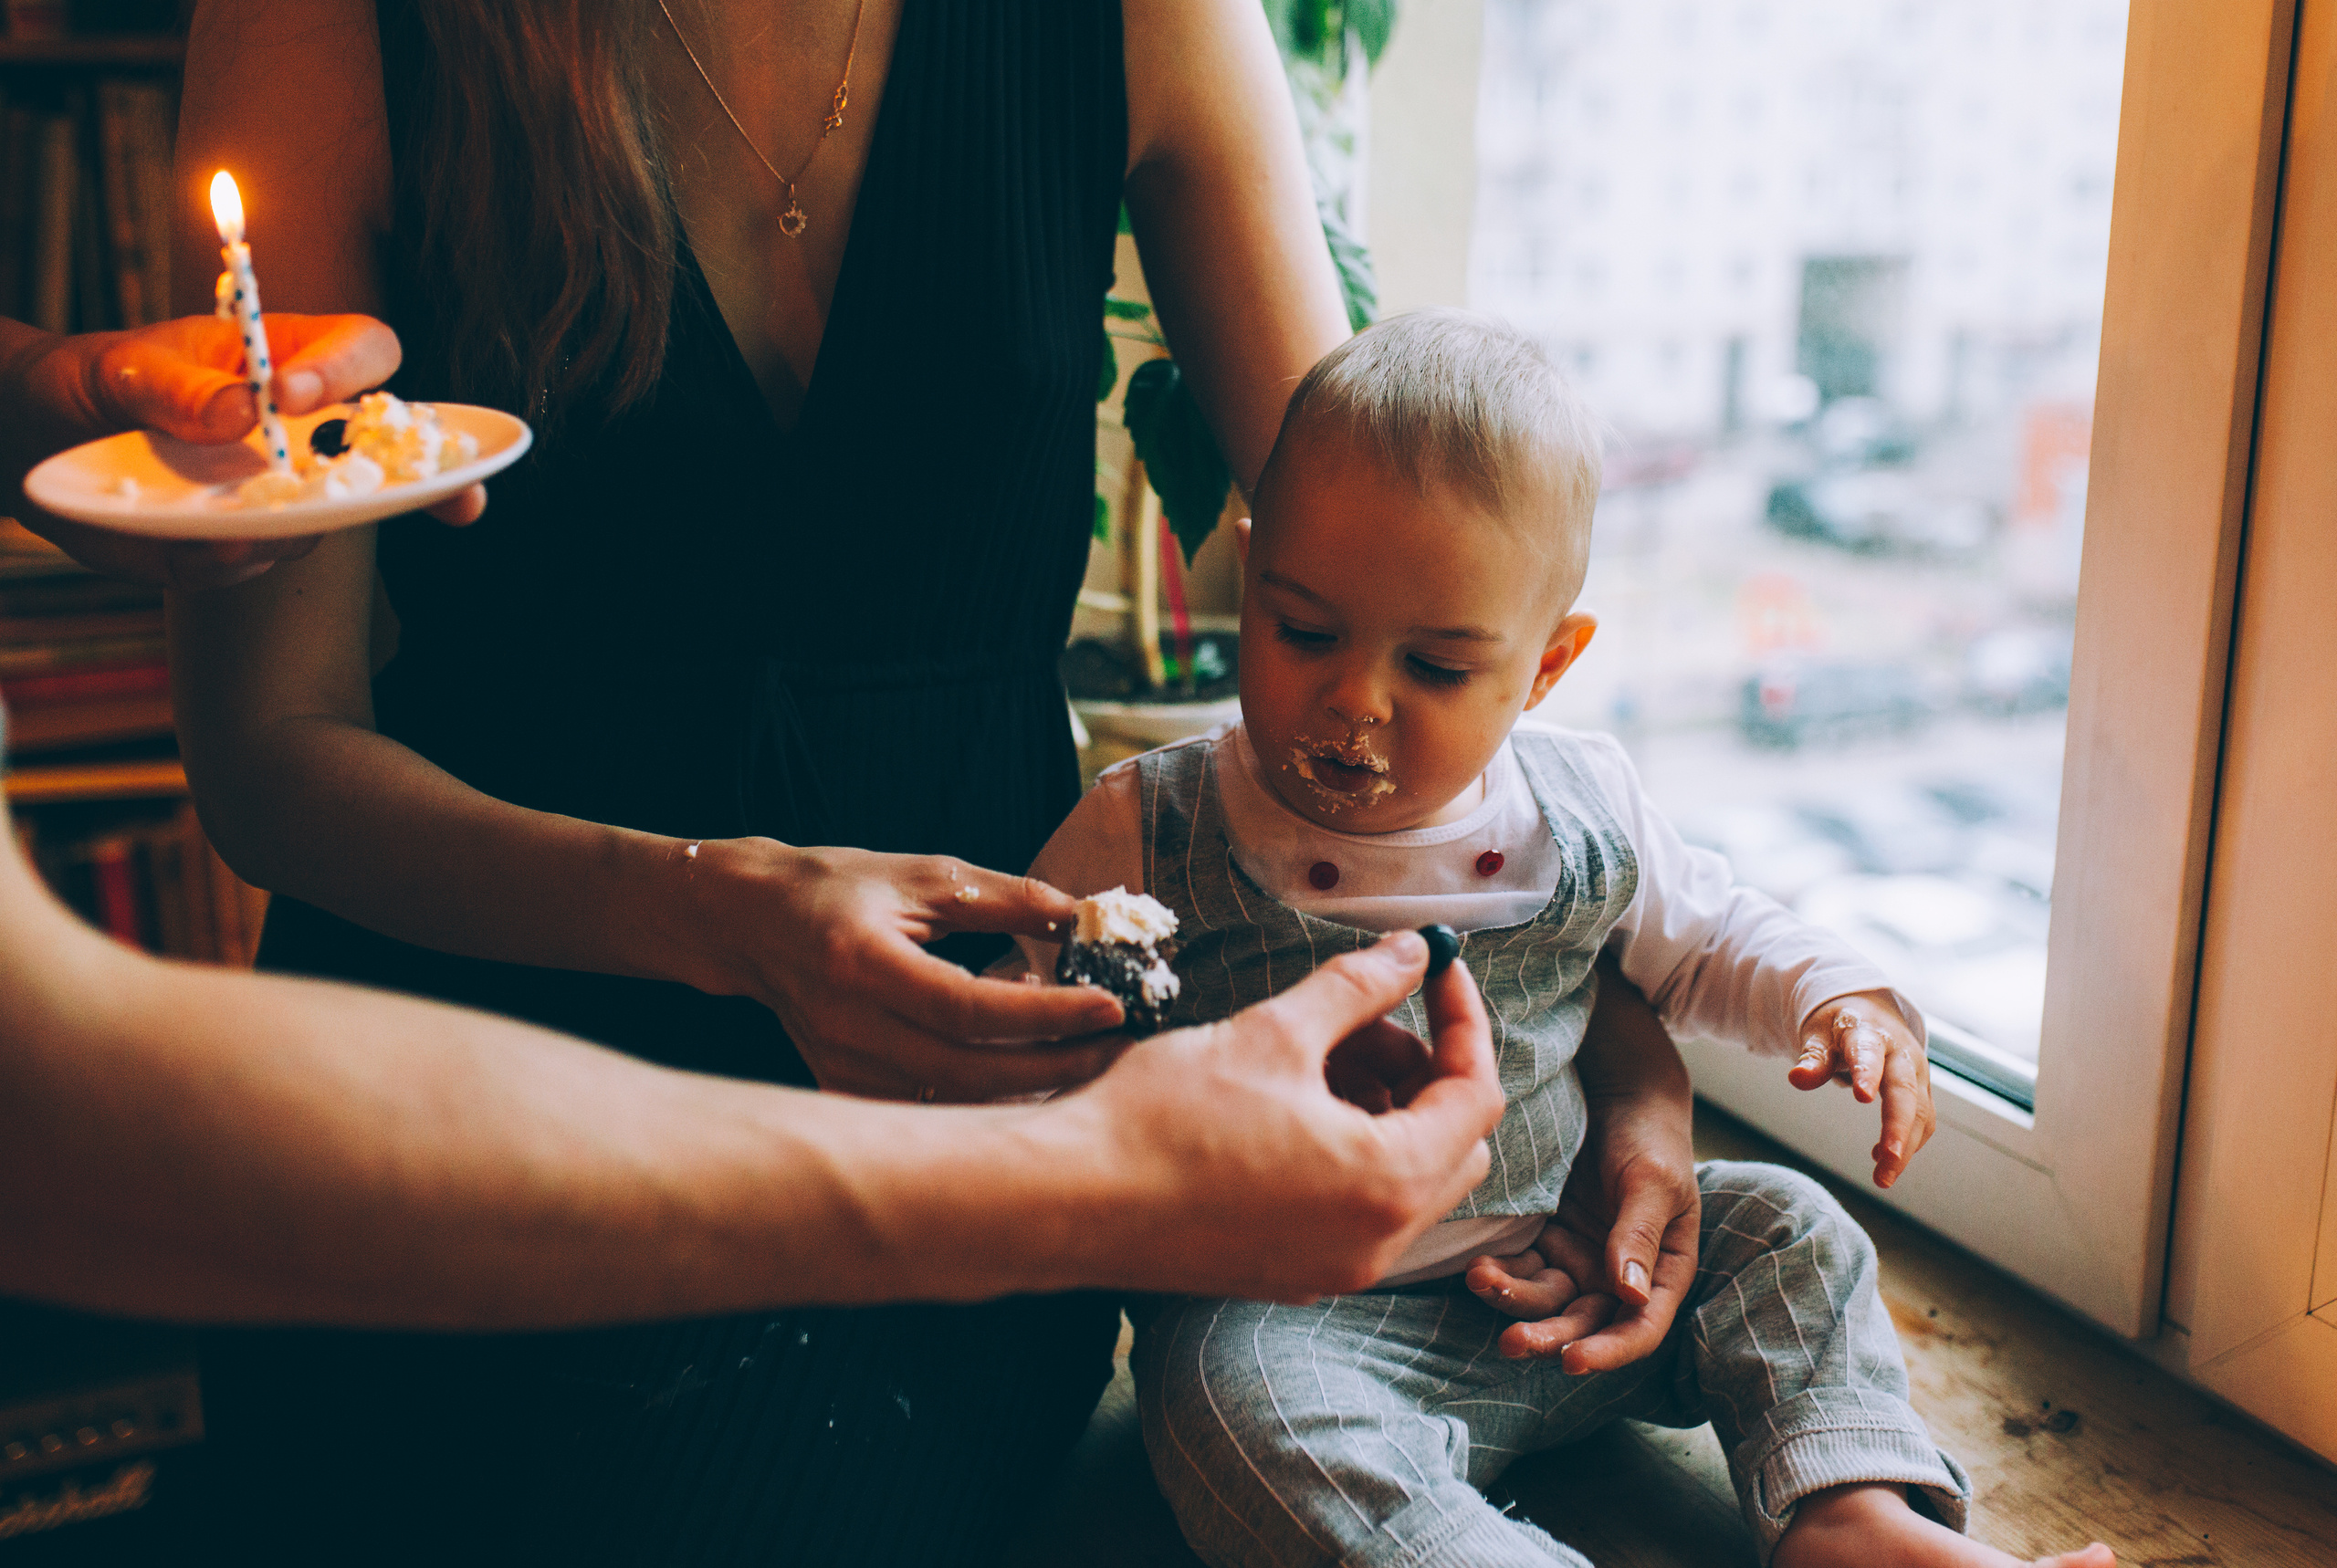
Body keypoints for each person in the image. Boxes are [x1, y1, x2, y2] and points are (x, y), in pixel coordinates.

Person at [154, 4, 1711, 1562]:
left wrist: (1619, 1071)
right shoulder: (337, 25)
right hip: (453, 1106)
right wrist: (718, 914)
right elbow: (268, 755)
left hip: (977, 1136)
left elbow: (1412, 650)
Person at [1014, 312, 2115, 1568]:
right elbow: (1024, 1022)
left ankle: (1851, 1515)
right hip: (1298, 1323)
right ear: (1252, 573)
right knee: (1226, 1404)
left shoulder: (1581, 807)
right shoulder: (1155, 826)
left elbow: (1711, 935)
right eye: (1305, 631)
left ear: (1546, 666)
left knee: (1789, 1226)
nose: (1354, 698)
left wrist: (1838, 998)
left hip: (1588, 1268)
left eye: (1437, 667)